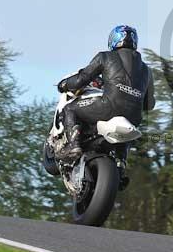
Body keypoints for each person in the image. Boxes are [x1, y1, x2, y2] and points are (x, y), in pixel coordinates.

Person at [56, 24, 155, 160]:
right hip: (134, 118)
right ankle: (121, 162)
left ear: (113, 40)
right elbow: (149, 105)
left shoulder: (105, 57)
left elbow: (81, 80)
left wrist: (65, 84)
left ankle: (73, 145)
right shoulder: (147, 70)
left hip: (109, 106)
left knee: (70, 109)